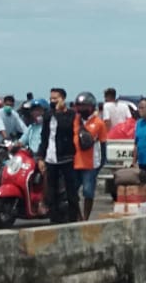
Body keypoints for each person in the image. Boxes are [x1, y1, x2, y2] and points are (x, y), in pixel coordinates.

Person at [37, 88, 80, 223]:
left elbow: (66, 127)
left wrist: (60, 111)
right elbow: (44, 137)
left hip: (66, 157)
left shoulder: (71, 115)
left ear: (63, 99)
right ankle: (54, 219)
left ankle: (73, 218)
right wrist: (40, 157)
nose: (53, 101)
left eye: (56, 98)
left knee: (71, 190)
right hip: (51, 158)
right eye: (51, 98)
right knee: (51, 190)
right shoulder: (48, 115)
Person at [73, 92, 108, 220]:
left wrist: (101, 164)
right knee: (72, 191)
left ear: (92, 107)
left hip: (91, 163)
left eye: (85, 106)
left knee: (88, 191)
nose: (82, 109)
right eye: (79, 106)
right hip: (74, 162)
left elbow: (103, 145)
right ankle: (78, 216)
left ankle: (86, 217)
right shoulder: (74, 121)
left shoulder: (99, 123)